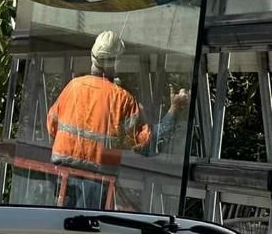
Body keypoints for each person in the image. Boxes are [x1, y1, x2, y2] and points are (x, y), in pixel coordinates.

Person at [46, 31, 190, 209]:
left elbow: (52, 127)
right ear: (115, 62)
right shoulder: (122, 100)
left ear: (93, 57)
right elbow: (149, 145)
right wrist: (175, 109)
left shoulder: (72, 87)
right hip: (96, 184)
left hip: (61, 179)